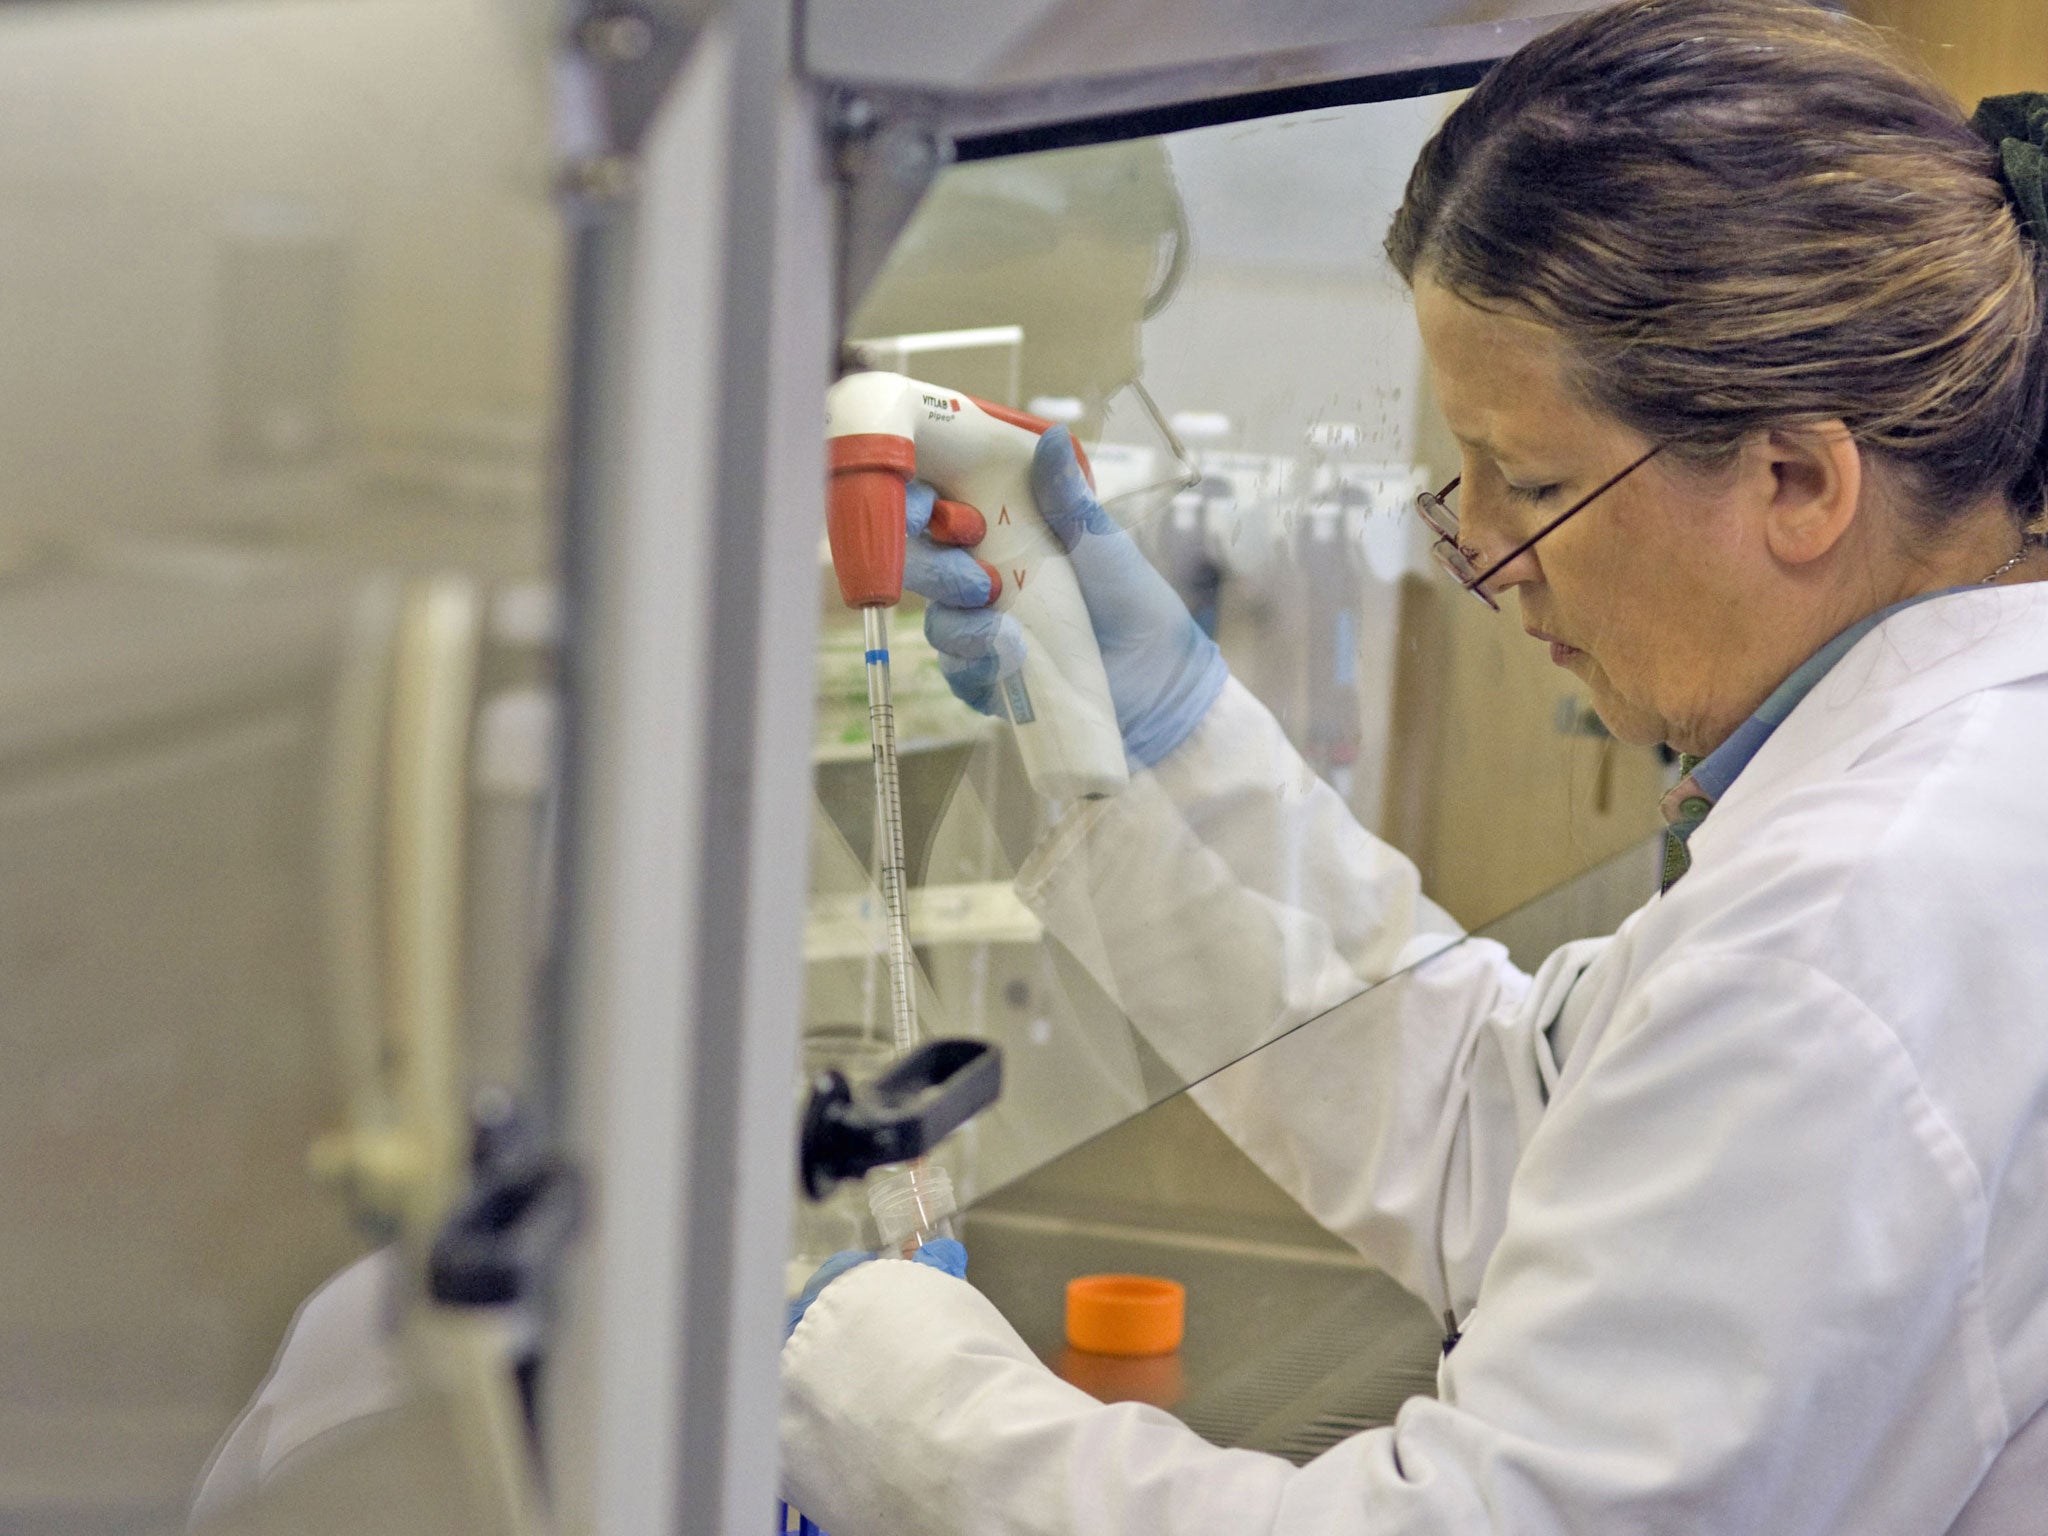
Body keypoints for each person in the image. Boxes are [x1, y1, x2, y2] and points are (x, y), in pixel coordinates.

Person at [779, 2, 2048, 1532]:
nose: (1489, 558)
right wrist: (1156, 736)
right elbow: (1501, 1117)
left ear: (1795, 479)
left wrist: (880, 1389)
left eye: (1536, 482)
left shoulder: (1842, 937)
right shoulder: (1945, 796)